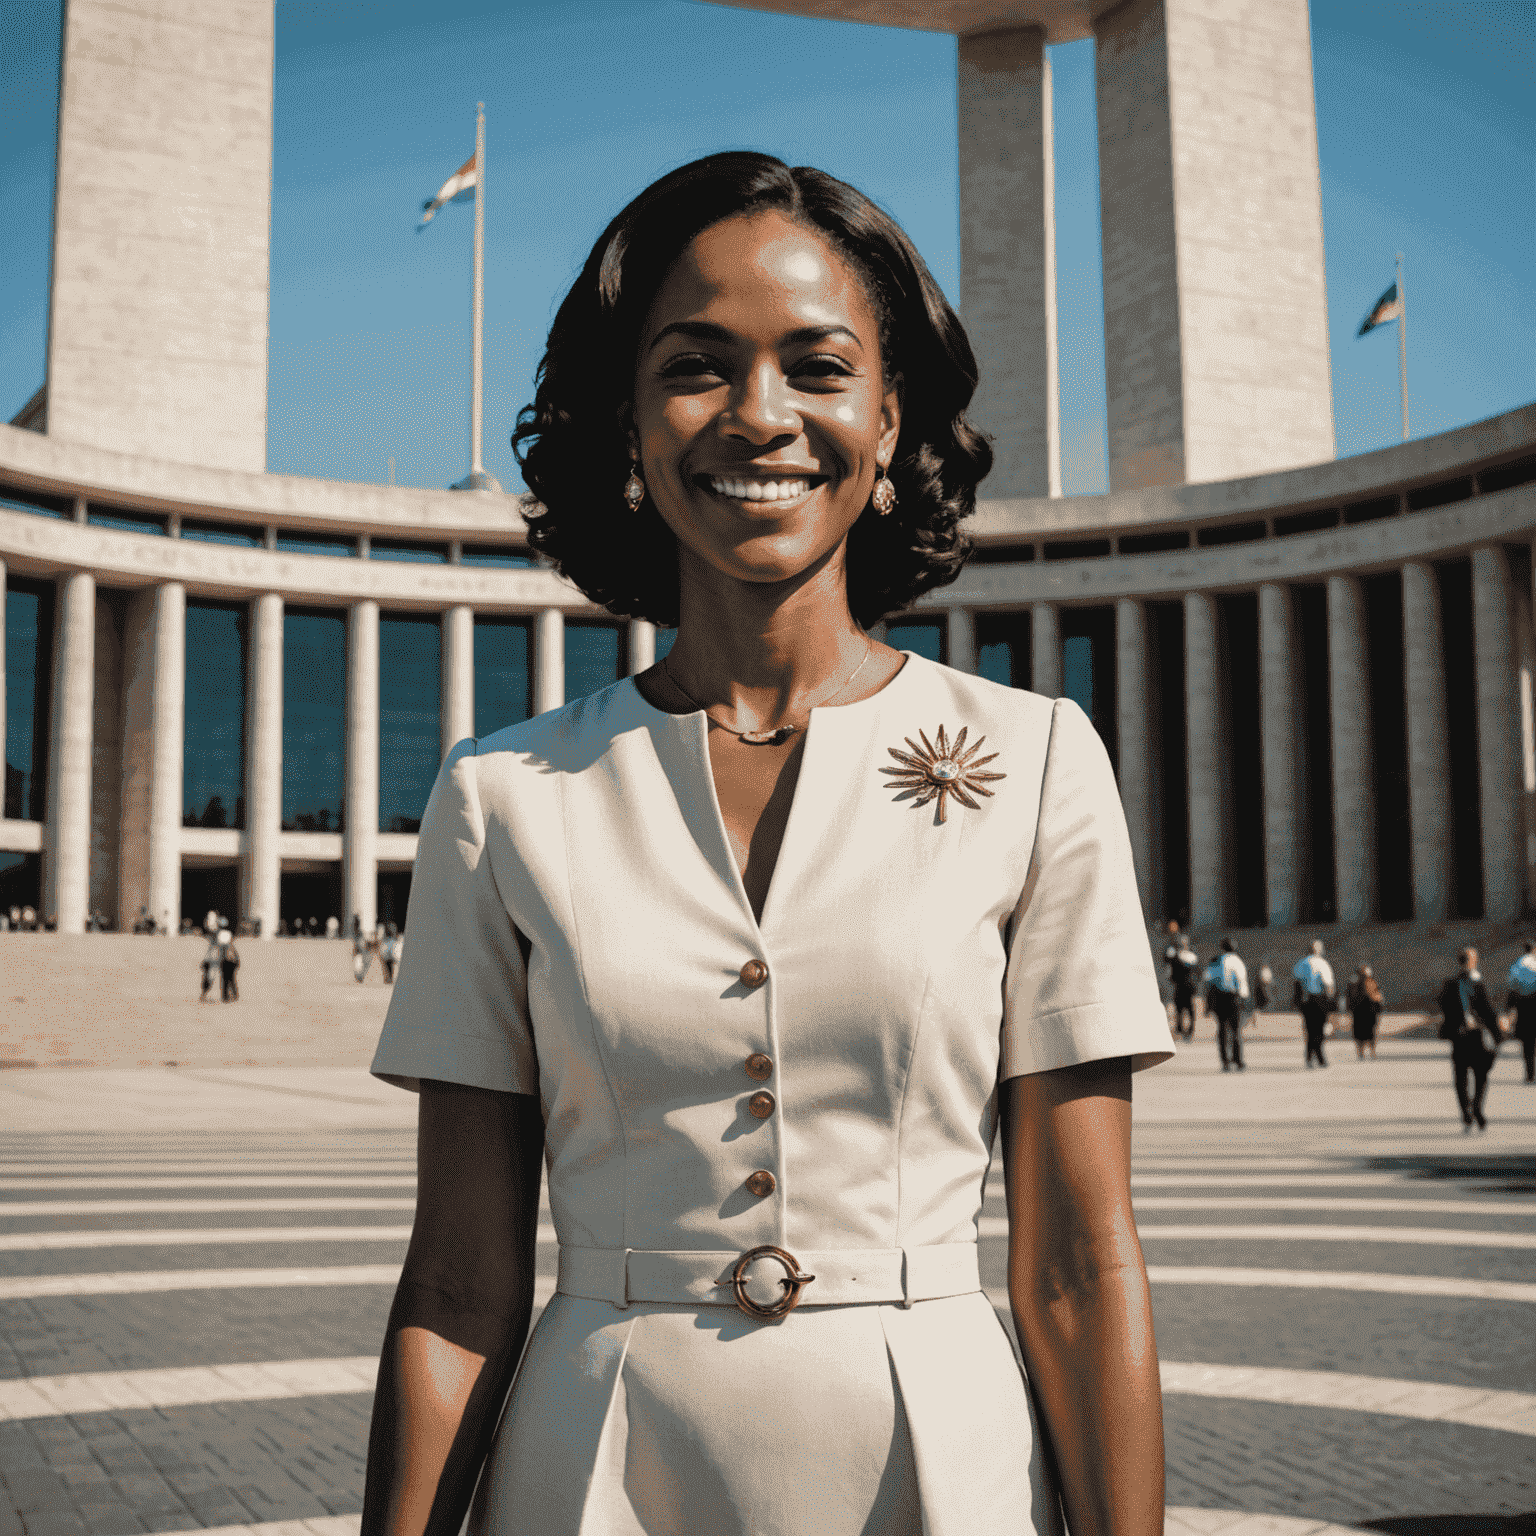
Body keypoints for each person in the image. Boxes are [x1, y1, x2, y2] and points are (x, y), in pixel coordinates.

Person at [361, 152, 1175, 1536]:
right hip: (596, 1461)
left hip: (943, 1462)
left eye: (817, 365)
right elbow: (456, 1280)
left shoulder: (1037, 761)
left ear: (889, 410)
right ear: (625, 416)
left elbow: (1081, 1266)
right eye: (696, 366)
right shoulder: (504, 795)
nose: (759, 417)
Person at [1438, 948, 1501, 1132]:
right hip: (1477, 1036)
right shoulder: (1477, 983)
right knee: (1481, 1075)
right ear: (1472, 961)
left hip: (1459, 1036)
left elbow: (1443, 1005)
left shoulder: (1450, 984)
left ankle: (1467, 1111)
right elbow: (1488, 1010)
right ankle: (1477, 1109)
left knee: (1461, 1076)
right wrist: (1497, 1034)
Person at [1204, 937, 1249, 1072]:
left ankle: (1225, 1060)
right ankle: (1238, 1059)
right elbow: (1242, 982)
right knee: (1236, 1030)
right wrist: (1244, 999)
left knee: (1222, 1029)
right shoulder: (1238, 961)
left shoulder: (1216, 961)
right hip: (1234, 997)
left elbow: (1208, 979)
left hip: (1219, 997)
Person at [1293, 939, 1335, 1068]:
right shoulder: (1322, 964)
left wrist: (1297, 1001)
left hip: (1306, 1000)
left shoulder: (1301, 963)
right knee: (1319, 1030)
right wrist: (1331, 1001)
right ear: (1318, 949)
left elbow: (1296, 982)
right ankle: (1320, 1058)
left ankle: (1309, 1057)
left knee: (1310, 1029)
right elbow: (1328, 984)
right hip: (1319, 999)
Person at [1505, 941, 1536, 1084]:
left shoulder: (1518, 965)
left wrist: (1508, 1008)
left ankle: (1530, 1074)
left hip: (1524, 1008)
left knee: (1528, 1045)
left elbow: (1512, 987)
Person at [1346, 966, 1383, 1060]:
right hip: (1361, 1011)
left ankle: (1370, 1051)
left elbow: (1377, 996)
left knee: (1368, 1032)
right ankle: (1363, 1052)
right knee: (1362, 1032)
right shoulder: (1355, 984)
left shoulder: (1371, 983)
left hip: (1368, 1011)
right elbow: (1350, 998)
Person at [1168, 931, 1199, 1040]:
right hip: (1180, 986)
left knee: (1189, 1009)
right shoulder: (1176, 954)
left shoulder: (1189, 956)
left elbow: (1196, 972)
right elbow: (1167, 959)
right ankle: (1181, 1029)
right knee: (1179, 1009)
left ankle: (1189, 1030)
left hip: (1187, 987)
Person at [220, 938, 240, 1003]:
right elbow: (236, 957)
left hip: (228, 965)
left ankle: (228, 997)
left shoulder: (226, 948)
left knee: (228, 982)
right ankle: (229, 997)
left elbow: (221, 958)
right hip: (228, 965)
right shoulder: (230, 947)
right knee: (230, 982)